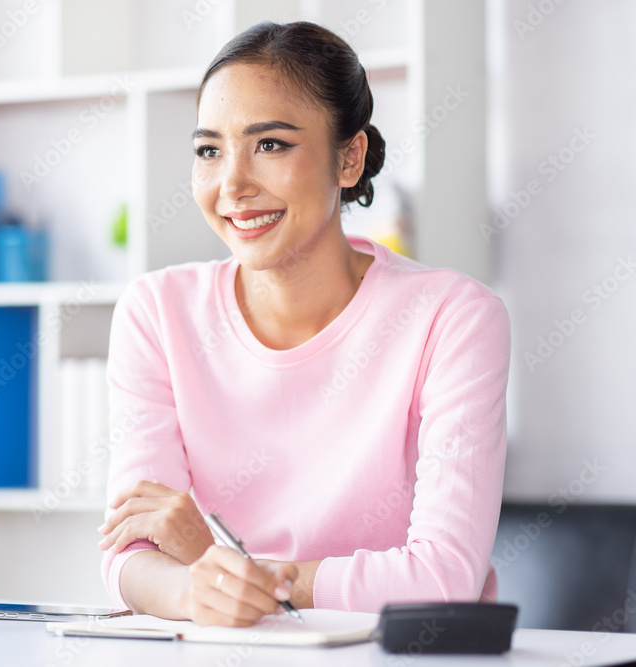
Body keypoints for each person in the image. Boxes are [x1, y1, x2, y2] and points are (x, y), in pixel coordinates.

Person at [97, 21, 511, 628]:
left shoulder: (453, 319)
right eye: (210, 150)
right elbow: (129, 554)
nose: (231, 185)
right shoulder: (156, 312)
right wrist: (189, 590)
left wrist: (214, 562)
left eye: (270, 145)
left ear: (350, 157)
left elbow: (443, 579)